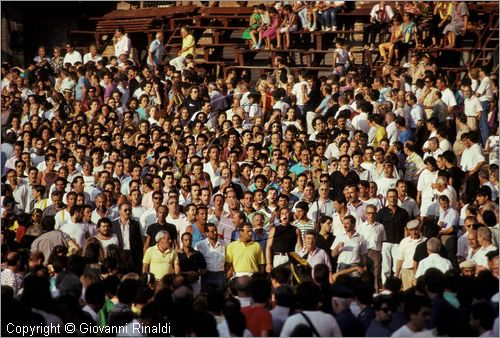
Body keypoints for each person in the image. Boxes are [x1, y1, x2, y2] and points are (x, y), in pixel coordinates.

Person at [112, 202, 143, 274]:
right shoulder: (113, 224)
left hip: (132, 255)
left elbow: (138, 241)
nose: (128, 212)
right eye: (125, 210)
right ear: (119, 211)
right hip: (119, 254)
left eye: (130, 210)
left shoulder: (135, 224)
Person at [195, 223, 226, 292]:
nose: (215, 233)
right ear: (206, 233)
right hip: (207, 275)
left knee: (219, 296)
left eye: (216, 230)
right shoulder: (200, 245)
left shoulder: (223, 244)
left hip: (220, 275)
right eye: (212, 231)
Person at [395, 220, 425, 290]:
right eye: (411, 230)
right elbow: (400, 259)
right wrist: (397, 274)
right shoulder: (404, 241)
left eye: (416, 230)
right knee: (407, 293)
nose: (414, 232)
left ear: (419, 228)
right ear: (408, 230)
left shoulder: (425, 240)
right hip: (406, 271)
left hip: (420, 271)